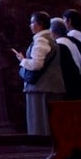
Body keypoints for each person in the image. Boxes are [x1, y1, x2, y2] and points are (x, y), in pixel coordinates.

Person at [11, 11, 65, 139]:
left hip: (42, 88)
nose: (30, 25)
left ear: (40, 24)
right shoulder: (50, 39)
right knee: (54, 124)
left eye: (32, 22)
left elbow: (36, 64)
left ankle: (53, 153)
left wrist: (22, 61)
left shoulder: (41, 40)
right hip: (52, 85)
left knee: (45, 124)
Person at [50, 17, 81, 101]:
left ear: (53, 33)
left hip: (69, 90)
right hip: (79, 86)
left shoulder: (59, 46)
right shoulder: (74, 42)